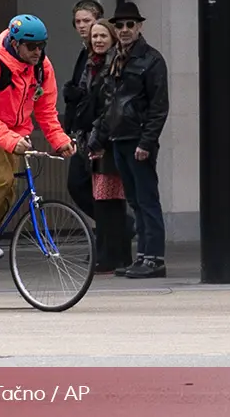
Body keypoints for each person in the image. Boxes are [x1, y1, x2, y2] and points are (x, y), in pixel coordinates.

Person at [0, 14, 76, 292]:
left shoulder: (42, 68)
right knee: (1, 178)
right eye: (31, 46)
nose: (37, 52)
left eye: (42, 46)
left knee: (10, 191)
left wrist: (60, 141)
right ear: (15, 43)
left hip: (13, 132)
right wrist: (11, 140)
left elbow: (46, 110)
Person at [89, 2, 169, 279]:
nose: (124, 30)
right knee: (135, 200)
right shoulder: (116, 59)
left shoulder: (151, 60)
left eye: (129, 25)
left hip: (137, 139)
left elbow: (159, 107)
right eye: (120, 25)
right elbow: (109, 104)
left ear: (139, 27)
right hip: (119, 138)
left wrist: (146, 143)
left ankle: (154, 258)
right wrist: (97, 139)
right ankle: (144, 257)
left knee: (146, 200)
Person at [84, 19, 134, 273]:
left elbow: (109, 107)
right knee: (104, 201)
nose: (98, 40)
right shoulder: (90, 64)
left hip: (107, 139)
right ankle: (115, 254)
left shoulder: (114, 64)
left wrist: (98, 138)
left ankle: (110, 256)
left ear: (113, 38)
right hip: (99, 136)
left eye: (103, 35)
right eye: (95, 36)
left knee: (109, 201)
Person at [62, 0, 104, 220]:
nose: (81, 25)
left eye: (86, 20)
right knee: (81, 186)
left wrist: (76, 94)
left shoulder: (100, 52)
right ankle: (115, 230)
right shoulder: (84, 52)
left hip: (94, 131)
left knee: (85, 185)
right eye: (78, 21)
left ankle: (120, 228)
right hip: (83, 130)